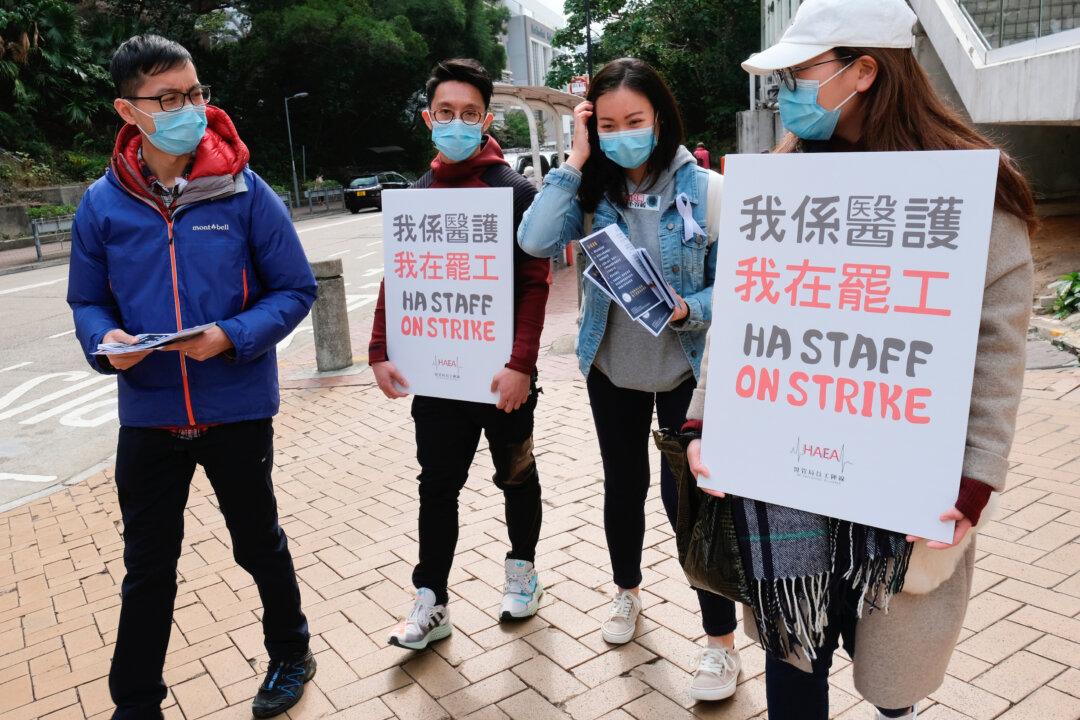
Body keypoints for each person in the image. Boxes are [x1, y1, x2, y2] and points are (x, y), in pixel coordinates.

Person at [683, 1, 1036, 718]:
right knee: (793, 657)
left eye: (799, 73)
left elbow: (998, 346)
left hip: (902, 480)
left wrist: (975, 481)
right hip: (785, 480)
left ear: (864, 71)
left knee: (892, 663)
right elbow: (744, 317)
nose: (785, 93)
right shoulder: (783, 180)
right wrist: (702, 423)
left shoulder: (964, 187)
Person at [67, 35, 319, 720]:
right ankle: (136, 702)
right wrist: (103, 339)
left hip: (235, 405)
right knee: (148, 566)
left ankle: (291, 652)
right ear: (129, 110)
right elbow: (87, 301)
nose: (191, 110)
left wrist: (231, 336)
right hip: (148, 412)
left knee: (257, 541)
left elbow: (295, 289)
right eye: (169, 99)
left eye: (196, 93)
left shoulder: (243, 190)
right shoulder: (102, 205)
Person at [518, 58, 741, 702]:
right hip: (612, 366)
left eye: (633, 122)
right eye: (607, 124)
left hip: (683, 366)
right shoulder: (592, 188)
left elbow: (737, 285)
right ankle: (626, 594)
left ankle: (719, 643)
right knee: (624, 487)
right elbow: (533, 240)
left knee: (689, 502)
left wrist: (689, 307)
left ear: (660, 119)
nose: (622, 134)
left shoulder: (705, 189)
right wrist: (577, 158)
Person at [368, 58, 551, 650]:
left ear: (486, 118)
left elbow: (535, 280)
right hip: (438, 379)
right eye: (445, 113)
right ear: (429, 119)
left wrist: (521, 363)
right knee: (436, 486)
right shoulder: (420, 191)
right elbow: (398, 277)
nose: (457, 122)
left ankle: (522, 570)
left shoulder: (513, 189)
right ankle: (431, 599)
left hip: (501, 379)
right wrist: (379, 349)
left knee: (516, 476)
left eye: (469, 113)